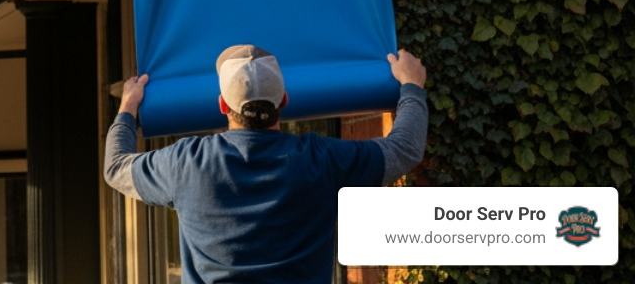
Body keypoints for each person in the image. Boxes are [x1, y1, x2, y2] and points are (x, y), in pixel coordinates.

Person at [104, 45, 428, 284]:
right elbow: (403, 150)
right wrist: (411, 86)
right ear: (284, 100)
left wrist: (129, 106)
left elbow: (116, 168)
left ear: (221, 105)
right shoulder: (321, 160)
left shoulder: (186, 163)